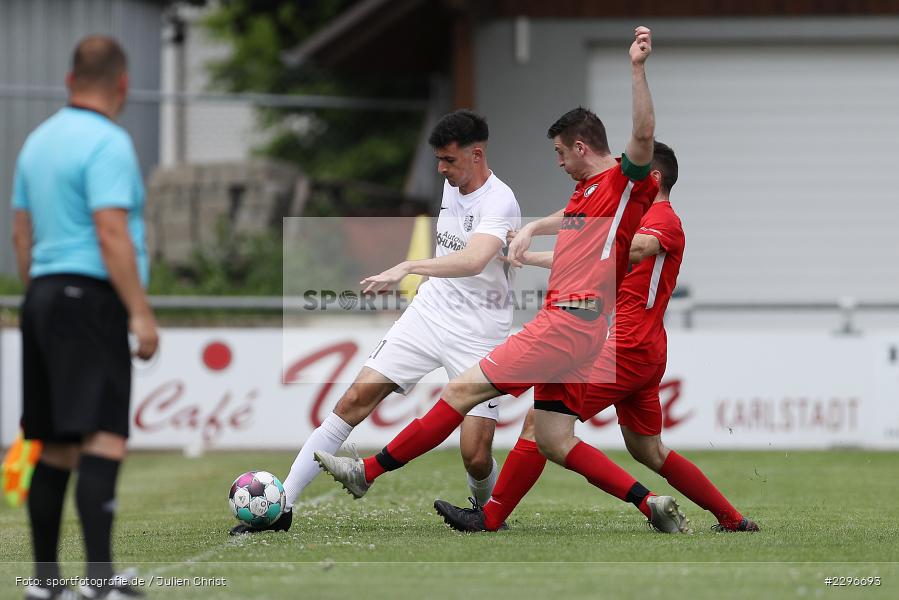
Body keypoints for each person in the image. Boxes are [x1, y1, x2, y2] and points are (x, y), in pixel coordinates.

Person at [316, 26, 691, 534]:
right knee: (555, 439)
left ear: (581, 146)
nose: (557, 162)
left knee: (461, 392)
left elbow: (643, 136)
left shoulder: (625, 182)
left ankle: (369, 471)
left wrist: (637, 69)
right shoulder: (587, 194)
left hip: (567, 323)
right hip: (582, 330)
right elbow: (571, 235)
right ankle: (650, 504)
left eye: (560, 152)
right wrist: (534, 230)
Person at [434, 141, 760, 532]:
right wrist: (530, 254)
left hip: (623, 345)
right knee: (648, 449)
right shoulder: (629, 218)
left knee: (541, 425)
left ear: (652, 178)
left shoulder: (662, 219)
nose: (622, 177)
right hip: (641, 348)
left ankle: (490, 517)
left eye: (631, 170)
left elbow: (633, 249)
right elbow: (592, 246)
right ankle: (733, 519)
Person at [230, 109, 522, 534]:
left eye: (449, 160)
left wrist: (408, 266)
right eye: (438, 160)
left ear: (477, 155)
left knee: (475, 454)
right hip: (429, 313)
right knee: (352, 401)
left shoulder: (500, 200)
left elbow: (476, 260)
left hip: (480, 333)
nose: (441, 169)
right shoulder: (451, 183)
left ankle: (488, 513)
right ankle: (282, 508)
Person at [12, 36, 155, 599]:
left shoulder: (36, 142)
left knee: (53, 444)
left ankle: (46, 583)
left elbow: (21, 234)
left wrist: (41, 295)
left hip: (42, 296)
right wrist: (140, 313)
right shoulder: (109, 143)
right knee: (103, 437)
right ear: (123, 85)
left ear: (69, 80)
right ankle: (101, 582)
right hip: (89, 300)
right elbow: (110, 230)